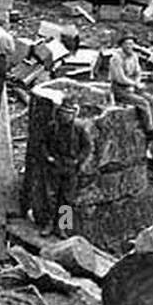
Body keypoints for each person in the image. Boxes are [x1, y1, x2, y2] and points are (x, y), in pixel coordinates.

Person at [43, 96, 92, 236]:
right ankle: (49, 224)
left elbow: (87, 147)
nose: (65, 116)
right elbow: (43, 145)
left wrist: (79, 160)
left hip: (70, 167)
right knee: (50, 196)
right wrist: (49, 158)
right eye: (63, 112)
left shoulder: (79, 129)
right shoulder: (52, 127)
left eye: (69, 113)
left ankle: (63, 227)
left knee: (67, 198)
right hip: (55, 165)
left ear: (73, 115)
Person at [108, 33, 153, 136]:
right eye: (126, 44)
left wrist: (137, 82)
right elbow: (120, 78)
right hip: (120, 89)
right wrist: (134, 84)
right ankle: (150, 130)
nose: (129, 46)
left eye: (131, 44)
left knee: (152, 99)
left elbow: (138, 72)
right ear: (121, 45)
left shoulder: (134, 56)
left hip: (133, 87)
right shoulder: (116, 58)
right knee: (143, 102)